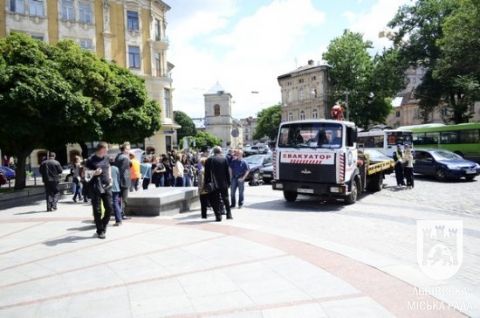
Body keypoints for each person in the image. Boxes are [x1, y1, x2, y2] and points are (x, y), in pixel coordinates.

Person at [86, 142, 113, 239]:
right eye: (106, 148)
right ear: (101, 148)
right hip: (95, 187)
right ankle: (100, 231)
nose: (107, 150)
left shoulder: (106, 157)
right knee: (97, 211)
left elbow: (109, 166)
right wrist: (94, 173)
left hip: (107, 186)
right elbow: (85, 174)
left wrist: (110, 176)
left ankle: (102, 224)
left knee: (109, 208)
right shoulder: (91, 159)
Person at [204, 146, 232, 221]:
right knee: (225, 198)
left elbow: (206, 174)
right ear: (220, 152)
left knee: (214, 200)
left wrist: (205, 184)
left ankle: (218, 216)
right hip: (223, 183)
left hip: (213, 184)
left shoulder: (209, 160)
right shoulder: (224, 159)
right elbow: (227, 173)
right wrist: (229, 182)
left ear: (213, 152)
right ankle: (229, 214)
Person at [114, 142, 131, 220]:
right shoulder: (125, 158)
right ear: (124, 150)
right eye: (128, 149)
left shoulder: (118, 156)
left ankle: (119, 213)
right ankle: (122, 214)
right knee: (124, 199)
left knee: (118, 198)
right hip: (124, 180)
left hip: (119, 180)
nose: (129, 150)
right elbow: (123, 170)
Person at [110, 158, 122, 226]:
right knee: (116, 203)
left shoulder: (106, 168)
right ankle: (118, 220)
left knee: (109, 204)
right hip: (116, 187)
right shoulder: (116, 168)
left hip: (109, 188)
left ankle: (105, 218)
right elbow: (118, 178)